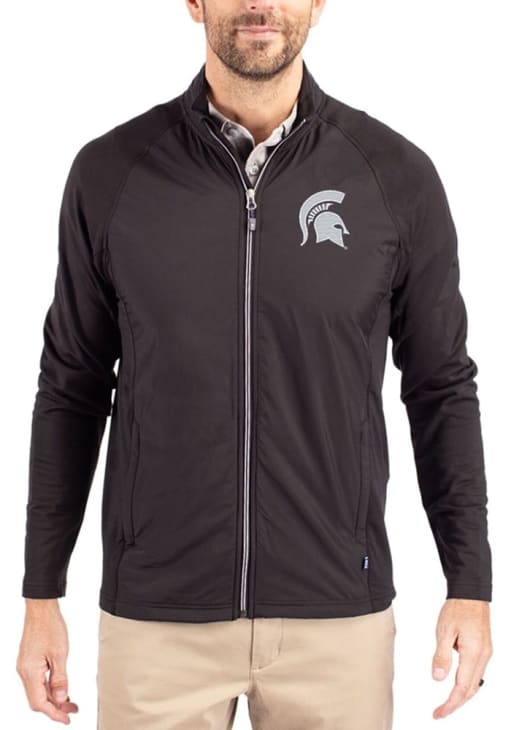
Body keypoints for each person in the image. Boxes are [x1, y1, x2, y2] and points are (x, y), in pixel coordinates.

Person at [16, 1, 493, 728]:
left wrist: (469, 582)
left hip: (335, 622)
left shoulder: (393, 177)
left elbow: (441, 389)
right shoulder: (112, 173)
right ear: (194, 2)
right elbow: (71, 388)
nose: (260, 4)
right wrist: (40, 593)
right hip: (157, 624)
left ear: (318, 3)